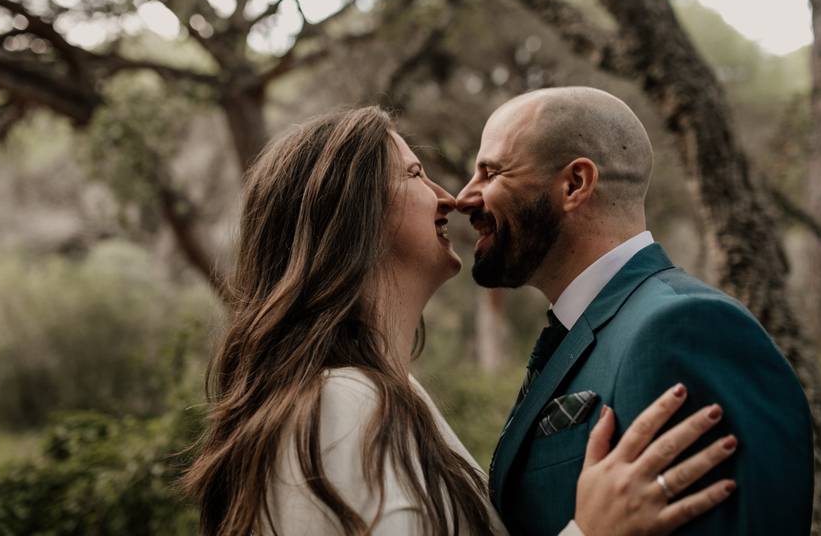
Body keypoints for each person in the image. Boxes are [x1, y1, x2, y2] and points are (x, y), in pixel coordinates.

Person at [183, 107, 737, 536]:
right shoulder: (341, 404)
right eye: (415, 173)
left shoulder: (394, 396)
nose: (449, 198)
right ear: (356, 213)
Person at [456, 87, 814, 535]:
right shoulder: (580, 331)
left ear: (574, 184)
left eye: (490, 173)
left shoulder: (687, 328)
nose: (463, 197)